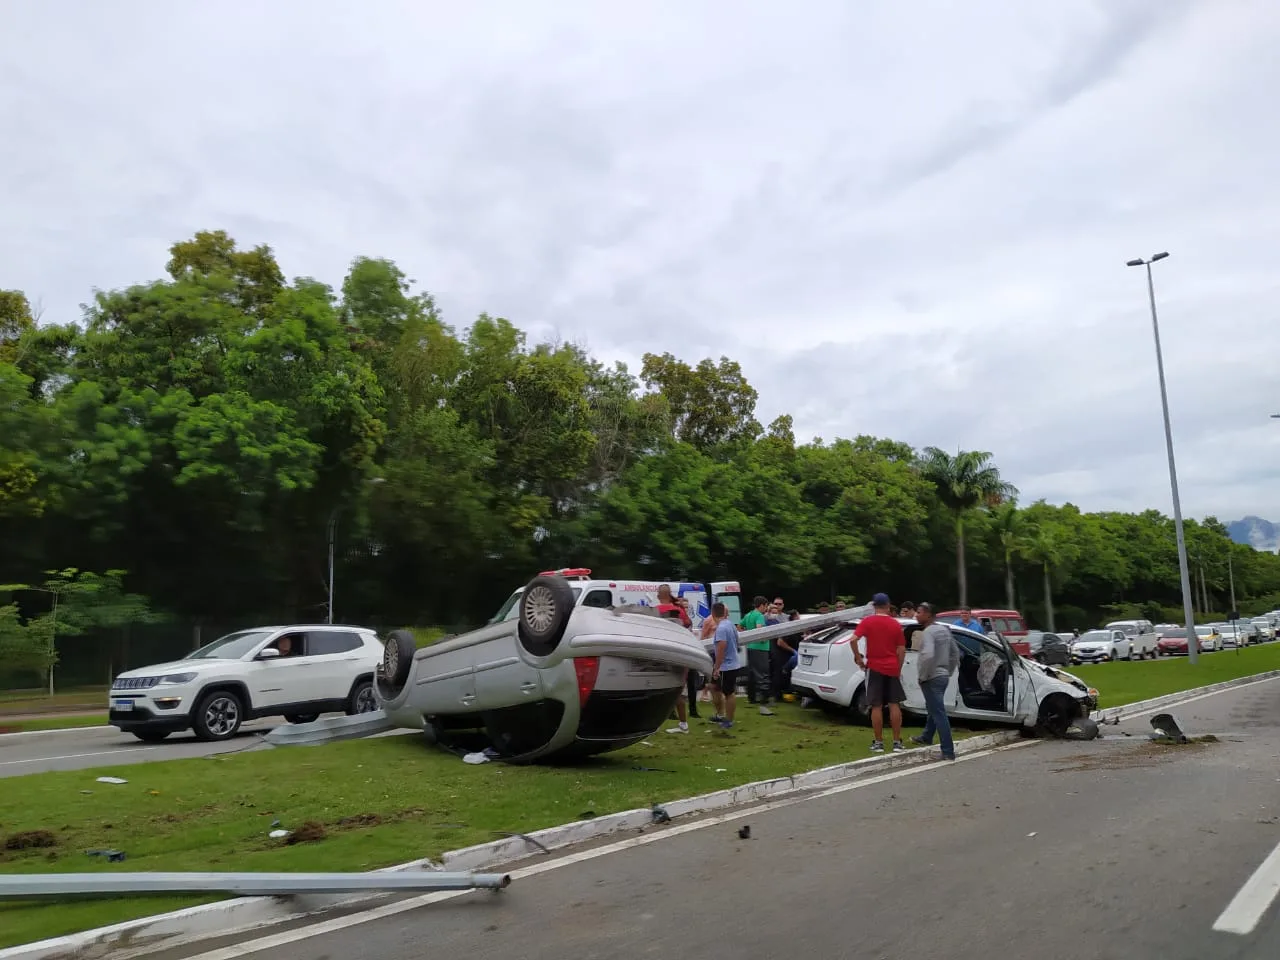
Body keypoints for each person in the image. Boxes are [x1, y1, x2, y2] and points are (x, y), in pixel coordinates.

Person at [853, 593, 907, 753]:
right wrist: (898, 667)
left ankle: (878, 743)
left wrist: (858, 658)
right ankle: (897, 742)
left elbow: (853, 639)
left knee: (876, 705)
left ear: (874, 606)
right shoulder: (895, 624)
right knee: (894, 704)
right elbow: (901, 649)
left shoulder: (867, 622)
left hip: (874, 667)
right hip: (891, 667)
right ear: (888, 605)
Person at [910, 603, 960, 761]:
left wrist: (923, 676)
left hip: (932, 676)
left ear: (928, 614)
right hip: (942, 675)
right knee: (933, 708)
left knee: (938, 712)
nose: (916, 615)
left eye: (919, 612)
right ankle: (926, 736)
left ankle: (948, 751)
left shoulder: (929, 632)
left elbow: (928, 655)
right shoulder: (944, 630)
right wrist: (948, 671)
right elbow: (955, 653)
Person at [740, 596, 775, 716]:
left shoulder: (748, 615)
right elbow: (760, 630)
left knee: (752, 674)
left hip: (750, 647)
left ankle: (752, 698)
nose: (766, 609)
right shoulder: (759, 616)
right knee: (763, 674)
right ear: (762, 605)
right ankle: (764, 703)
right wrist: (765, 637)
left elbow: (739, 626)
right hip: (761, 648)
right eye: (766, 606)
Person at [710, 602, 741, 729]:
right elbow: (737, 640)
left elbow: (721, 647)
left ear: (713, 613)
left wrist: (717, 667)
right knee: (713, 687)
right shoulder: (730, 624)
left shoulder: (722, 628)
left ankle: (728, 720)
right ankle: (720, 714)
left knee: (729, 692)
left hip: (726, 666)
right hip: (730, 663)